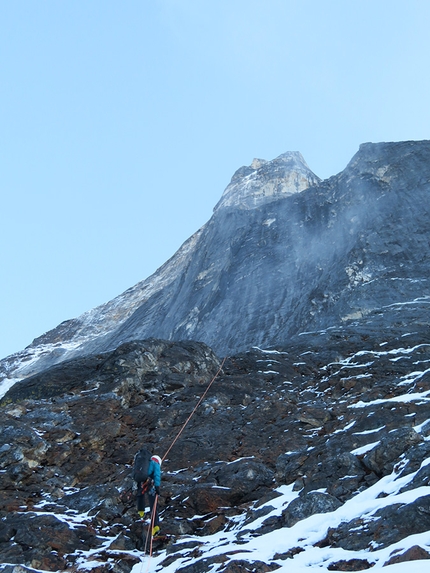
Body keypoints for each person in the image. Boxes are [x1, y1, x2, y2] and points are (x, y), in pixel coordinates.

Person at [136, 454, 162, 536]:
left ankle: (141, 512)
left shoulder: (144, 463)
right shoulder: (155, 463)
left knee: (140, 494)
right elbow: (157, 475)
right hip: (150, 484)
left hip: (141, 481)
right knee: (153, 504)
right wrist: (157, 487)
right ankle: (155, 526)